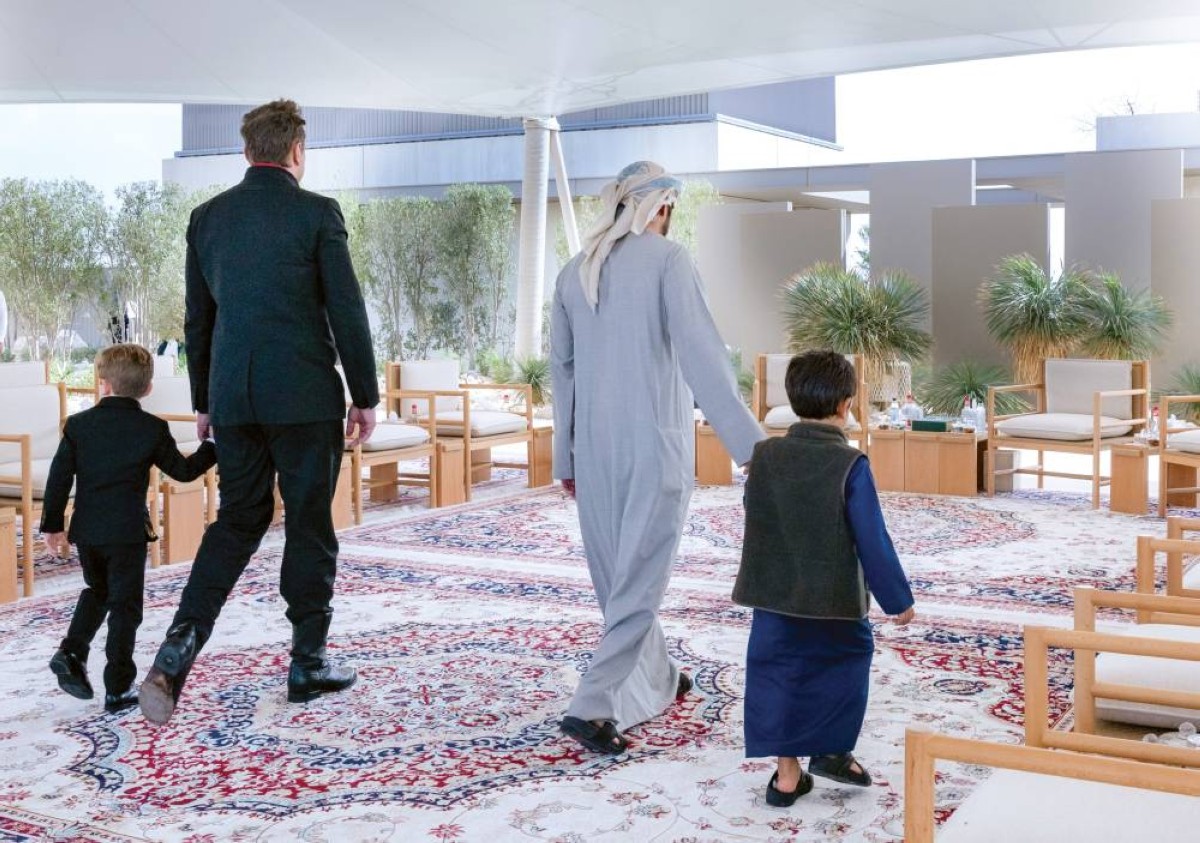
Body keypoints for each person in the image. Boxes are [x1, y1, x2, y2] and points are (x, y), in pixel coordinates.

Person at [139, 99, 378, 725]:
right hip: (303, 397)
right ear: (297, 151)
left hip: (235, 399)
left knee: (238, 520)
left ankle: (178, 646)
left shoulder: (208, 218)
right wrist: (365, 395)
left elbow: (199, 319)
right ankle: (307, 660)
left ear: (247, 151)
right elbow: (346, 309)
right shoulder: (318, 213)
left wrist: (204, 402)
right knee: (308, 522)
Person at [550, 160, 764, 754]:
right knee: (641, 577)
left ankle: (659, 676)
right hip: (653, 444)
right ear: (661, 207)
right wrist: (752, 449)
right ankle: (593, 704)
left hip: (592, 451)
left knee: (620, 575)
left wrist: (565, 459)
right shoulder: (669, 260)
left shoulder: (572, 272)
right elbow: (702, 357)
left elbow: (561, 375)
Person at [732, 350, 915, 806]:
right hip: (833, 600)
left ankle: (786, 776)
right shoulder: (850, 464)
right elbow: (872, 537)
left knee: (777, 673)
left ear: (793, 401)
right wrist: (897, 599)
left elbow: (755, 511)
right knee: (845, 661)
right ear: (845, 404)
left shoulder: (763, 456)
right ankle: (832, 750)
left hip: (772, 594)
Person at [42, 344, 217, 713]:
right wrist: (213, 446)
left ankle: (72, 650)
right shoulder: (151, 428)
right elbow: (184, 472)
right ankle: (118, 687)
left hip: (88, 531)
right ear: (148, 388)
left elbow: (59, 478)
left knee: (98, 590)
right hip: (126, 534)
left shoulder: (78, 425)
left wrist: (53, 525)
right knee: (125, 608)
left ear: (103, 384)